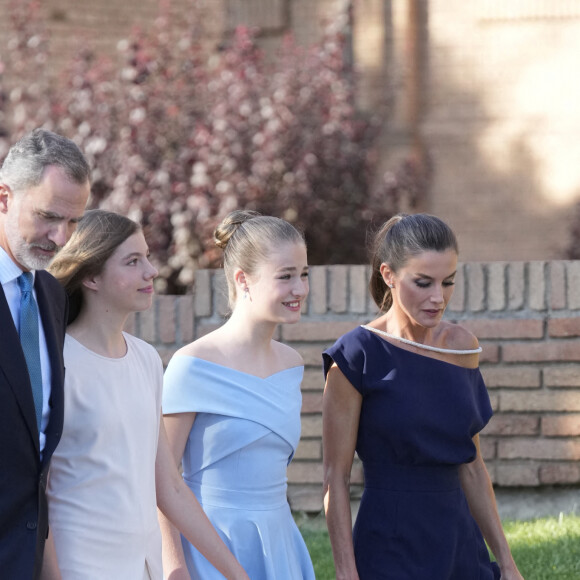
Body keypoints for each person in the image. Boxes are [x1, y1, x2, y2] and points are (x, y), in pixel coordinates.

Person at [46, 210, 249, 580]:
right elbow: (37, 493)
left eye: (148, 258)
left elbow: (168, 485)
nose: (151, 272)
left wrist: (236, 573)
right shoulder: (55, 364)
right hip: (81, 568)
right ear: (91, 276)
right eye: (133, 261)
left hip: (144, 568)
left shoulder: (146, 359)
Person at [322, 213, 524, 580]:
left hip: (460, 541)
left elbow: (472, 464)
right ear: (388, 275)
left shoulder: (463, 347)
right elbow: (335, 477)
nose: (438, 297)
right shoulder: (355, 355)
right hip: (389, 544)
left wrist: (507, 564)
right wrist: (346, 572)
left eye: (448, 282)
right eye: (423, 282)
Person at [160, 210, 315, 579]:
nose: (300, 289)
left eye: (304, 274)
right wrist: (175, 565)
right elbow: (163, 478)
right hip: (209, 547)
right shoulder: (192, 364)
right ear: (243, 280)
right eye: (286, 277)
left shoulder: (292, 366)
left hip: (279, 544)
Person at [0, 129, 91, 580]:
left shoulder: (51, 295)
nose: (61, 238)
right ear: (3, 198)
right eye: (48, 217)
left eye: (74, 221)